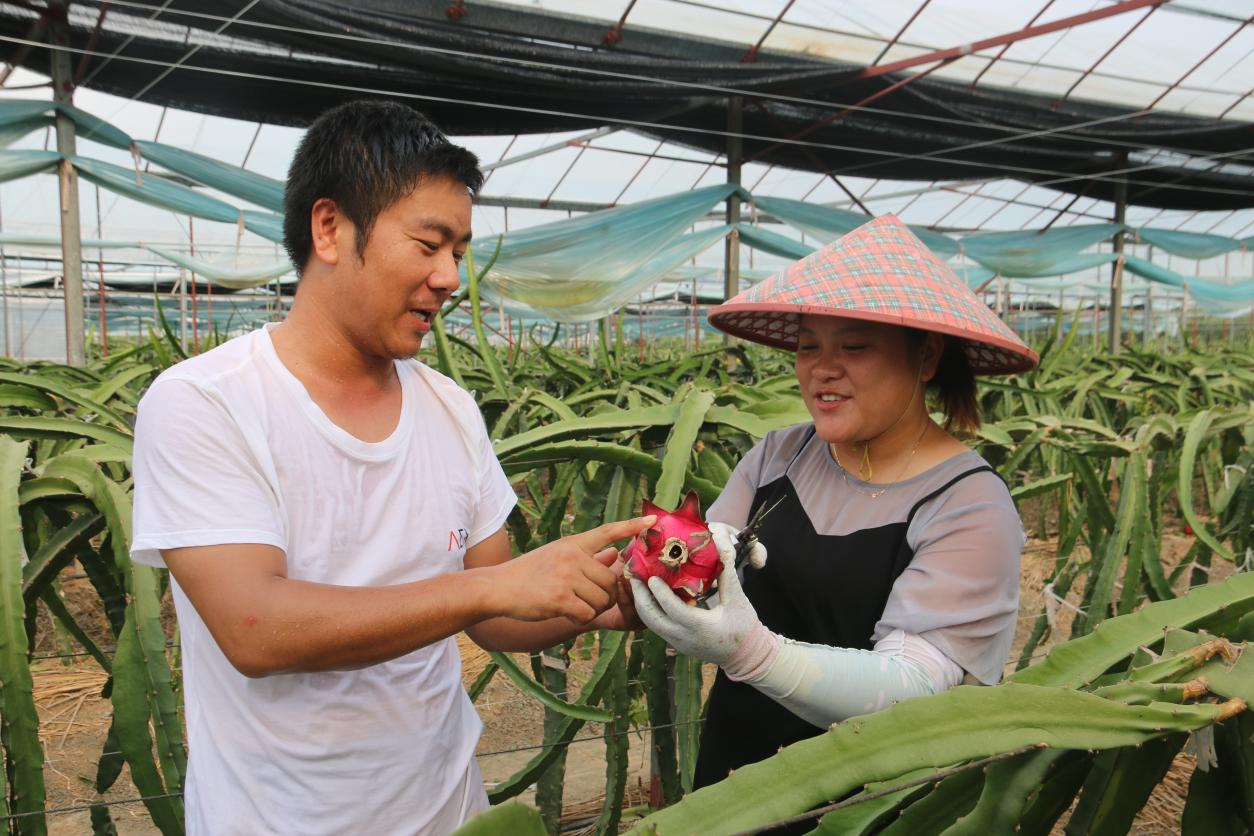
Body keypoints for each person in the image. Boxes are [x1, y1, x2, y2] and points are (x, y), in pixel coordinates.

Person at [130, 100, 651, 836]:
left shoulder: (452, 409)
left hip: (447, 811)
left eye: (460, 252)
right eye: (429, 243)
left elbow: (496, 615)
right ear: (330, 229)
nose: (448, 277)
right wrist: (491, 586)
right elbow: (255, 629)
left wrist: (608, 599)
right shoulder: (204, 404)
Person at [631, 214, 1038, 799]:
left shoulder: (970, 504)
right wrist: (631, 577)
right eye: (807, 346)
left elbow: (913, 688)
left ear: (925, 359)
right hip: (737, 777)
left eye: (854, 346)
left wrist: (750, 651)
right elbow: (697, 561)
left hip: (869, 797)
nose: (823, 368)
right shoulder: (781, 454)